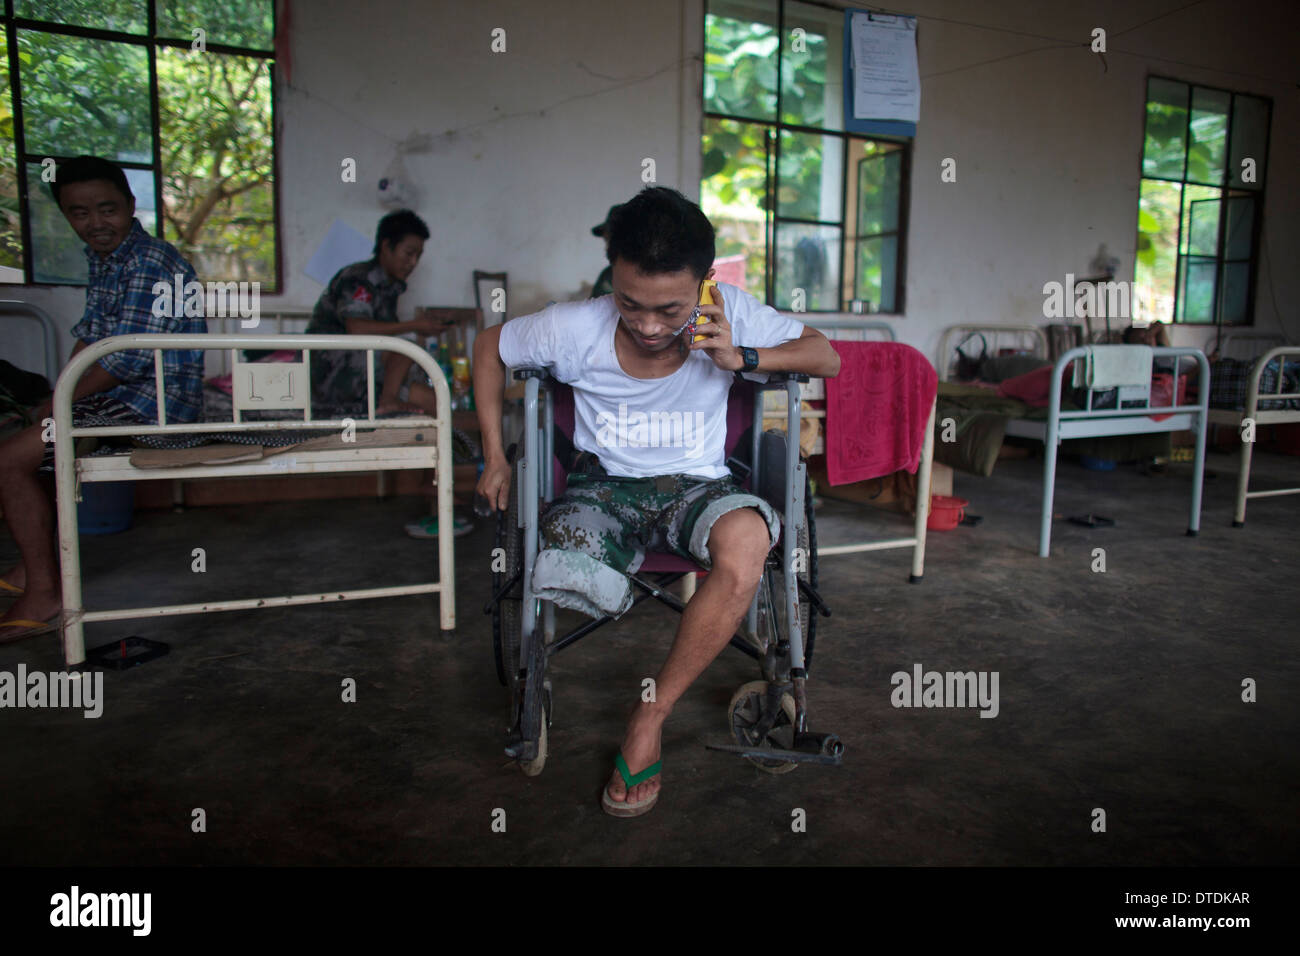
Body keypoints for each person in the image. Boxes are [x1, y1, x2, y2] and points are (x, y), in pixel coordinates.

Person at [473, 186, 839, 817]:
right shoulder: (574, 326)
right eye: (629, 302)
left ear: (703, 283)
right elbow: (488, 347)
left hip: (699, 488)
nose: (646, 325)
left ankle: (651, 715)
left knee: (749, 542)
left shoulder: (730, 313)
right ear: (611, 277)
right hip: (602, 490)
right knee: (562, 568)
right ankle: (593, 594)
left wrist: (741, 355)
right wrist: (495, 456)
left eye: (668, 309)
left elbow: (825, 355)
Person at [0, 156, 205, 643]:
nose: (95, 222)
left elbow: (124, 361)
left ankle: (46, 591)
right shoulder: (107, 259)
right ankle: (36, 568)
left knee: (8, 461)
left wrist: (58, 402)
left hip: (153, 405)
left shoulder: (153, 261)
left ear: (132, 206)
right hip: (121, 396)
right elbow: (92, 338)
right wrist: (58, 394)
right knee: (27, 444)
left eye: (107, 209)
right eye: (80, 213)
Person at [305, 209, 453, 415]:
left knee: (434, 399)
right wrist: (414, 325)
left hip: (365, 370)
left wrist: (422, 328)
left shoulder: (390, 287)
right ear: (386, 246)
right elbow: (357, 329)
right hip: (333, 373)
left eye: (418, 256)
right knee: (406, 349)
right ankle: (389, 400)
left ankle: (389, 400)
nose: (413, 263)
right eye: (409, 253)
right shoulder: (359, 279)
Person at [589, 204, 620, 298]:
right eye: (606, 241)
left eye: (612, 241)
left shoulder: (654, 278)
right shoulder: (607, 275)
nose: (607, 248)